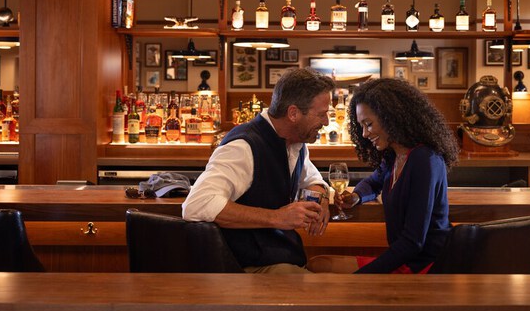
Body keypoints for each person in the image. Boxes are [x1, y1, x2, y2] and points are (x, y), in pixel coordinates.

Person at [182, 68, 335, 273]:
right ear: (293, 113)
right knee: (327, 288)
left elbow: (311, 178)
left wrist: (321, 196)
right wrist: (277, 217)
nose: (326, 122)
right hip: (245, 268)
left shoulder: (295, 142)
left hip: (281, 259)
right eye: (322, 114)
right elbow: (198, 204)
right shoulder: (243, 146)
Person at [308, 78, 460, 274]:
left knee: (323, 269)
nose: (364, 134)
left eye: (368, 124)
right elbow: (373, 182)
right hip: (405, 258)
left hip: (424, 265)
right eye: (361, 126)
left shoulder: (425, 160)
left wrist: (360, 278)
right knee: (318, 264)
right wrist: (356, 196)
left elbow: (413, 242)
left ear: (392, 117)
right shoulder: (394, 155)